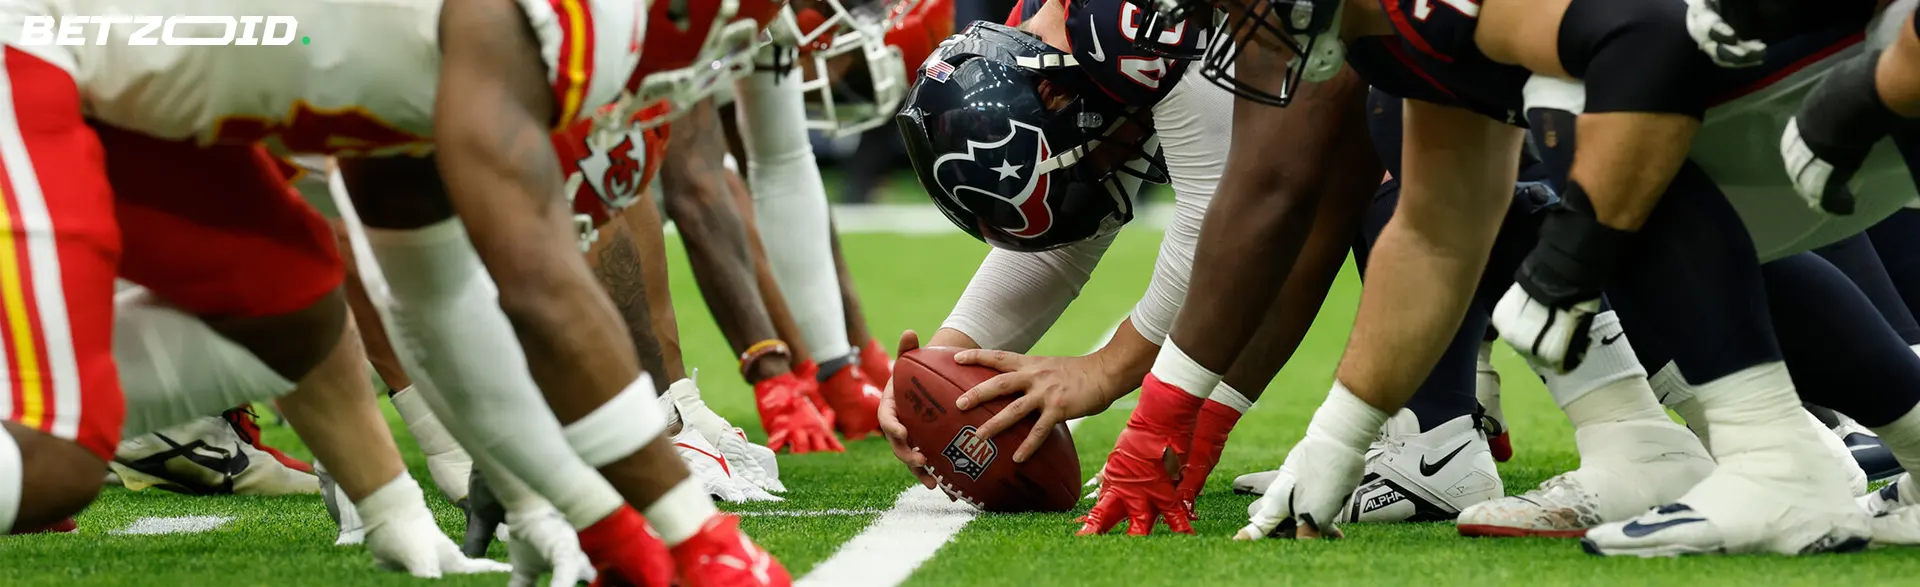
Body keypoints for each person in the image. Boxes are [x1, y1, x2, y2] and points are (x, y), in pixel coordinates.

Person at [1, 0, 793, 584]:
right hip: (32, 47)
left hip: (106, 79)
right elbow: (537, 287)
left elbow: (434, 295)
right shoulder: (528, 23)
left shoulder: (435, 61)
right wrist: (693, 535)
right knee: (59, 456)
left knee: (293, 299)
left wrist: (578, 512)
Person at [1123, 0, 1920, 556]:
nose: (1227, 22)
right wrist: (1338, 436)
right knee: (1600, 150)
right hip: (1814, 83)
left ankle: (1774, 461)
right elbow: (1438, 231)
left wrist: (1571, 258)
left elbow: (1648, 43)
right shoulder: (1388, 35)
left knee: (1588, 120)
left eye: (1226, 2)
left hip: (1862, 70)